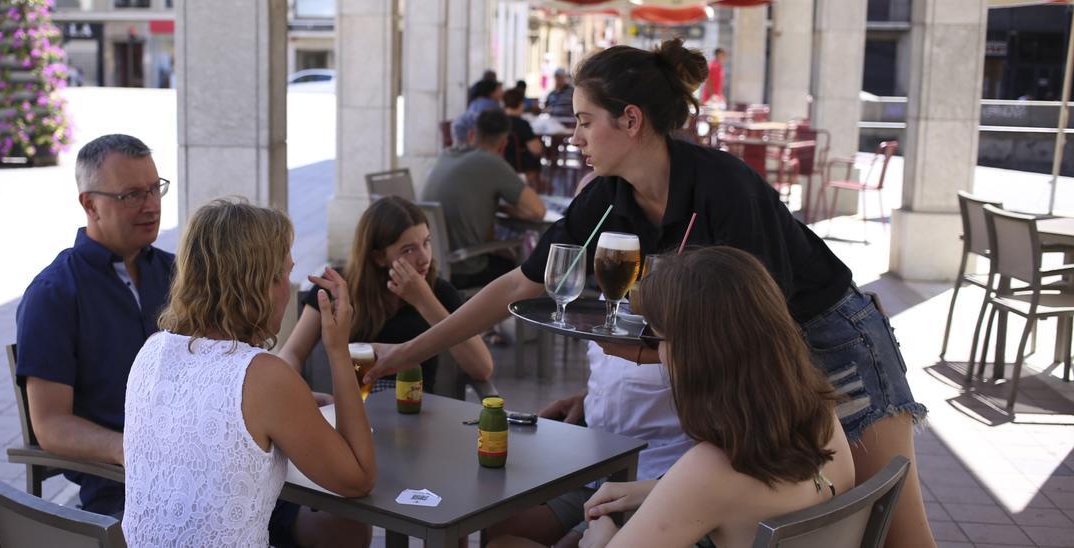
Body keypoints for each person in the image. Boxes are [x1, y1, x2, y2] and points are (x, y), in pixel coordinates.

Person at [369, 39, 935, 548]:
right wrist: (408, 353)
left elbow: (753, 332)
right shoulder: (611, 197)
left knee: (899, 537)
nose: (576, 136)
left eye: (586, 121)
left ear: (631, 120)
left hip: (834, 346)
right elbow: (519, 284)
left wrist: (641, 354)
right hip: (768, 366)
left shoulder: (724, 190)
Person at [491, 248, 856, 548]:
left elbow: (709, 491)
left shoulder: (712, 469)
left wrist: (602, 536)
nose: (658, 354)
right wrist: (658, 490)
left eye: (658, 339)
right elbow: (735, 500)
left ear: (696, 356)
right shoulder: (820, 416)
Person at [122, 199, 376, 547]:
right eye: (285, 274)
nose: (288, 288)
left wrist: (294, 403)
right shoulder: (264, 377)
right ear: (259, 284)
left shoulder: (152, 350)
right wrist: (337, 349)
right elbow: (359, 478)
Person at [15, 134, 174, 517]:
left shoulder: (177, 274)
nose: (151, 206)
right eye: (131, 195)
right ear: (90, 204)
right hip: (123, 489)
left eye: (155, 189)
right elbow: (50, 425)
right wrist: (128, 449)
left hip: (208, 464)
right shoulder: (54, 293)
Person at [282, 196, 492, 393]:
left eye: (426, 243)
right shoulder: (339, 287)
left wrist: (424, 300)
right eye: (408, 250)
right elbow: (292, 353)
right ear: (379, 257)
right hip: (355, 409)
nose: (424, 258)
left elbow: (482, 368)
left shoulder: (439, 291)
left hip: (416, 411)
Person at [421, 109, 545, 289]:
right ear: (504, 145)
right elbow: (538, 211)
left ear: (472, 134)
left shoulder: (446, 155)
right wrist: (504, 208)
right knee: (519, 268)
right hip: (464, 268)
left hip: (432, 266)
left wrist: (496, 208)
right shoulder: (492, 162)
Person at [501, 88, 543, 181]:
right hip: (518, 166)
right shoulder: (521, 124)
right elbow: (536, 149)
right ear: (521, 104)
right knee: (535, 158)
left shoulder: (496, 121)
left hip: (498, 163)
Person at [453, 79, 505, 144]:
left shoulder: (474, 103)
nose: (503, 92)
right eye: (499, 90)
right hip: (482, 142)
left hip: (463, 140)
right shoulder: (493, 106)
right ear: (490, 92)